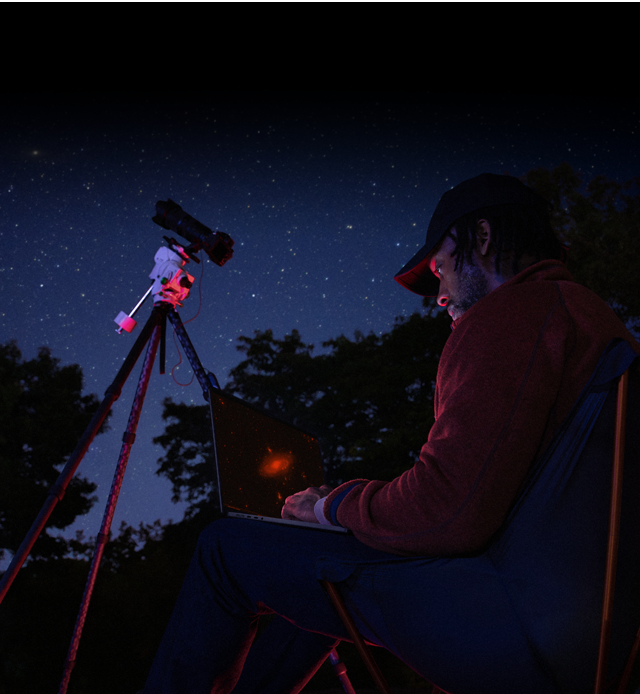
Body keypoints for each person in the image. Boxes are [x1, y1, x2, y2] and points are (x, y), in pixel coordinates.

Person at [142, 174, 640, 694]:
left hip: (515, 623)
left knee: (225, 549)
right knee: (321, 563)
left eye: (442, 269)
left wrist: (330, 506)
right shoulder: (591, 316)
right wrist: (345, 521)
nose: (440, 296)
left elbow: (448, 510)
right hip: (593, 636)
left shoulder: (510, 316)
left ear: (484, 239)